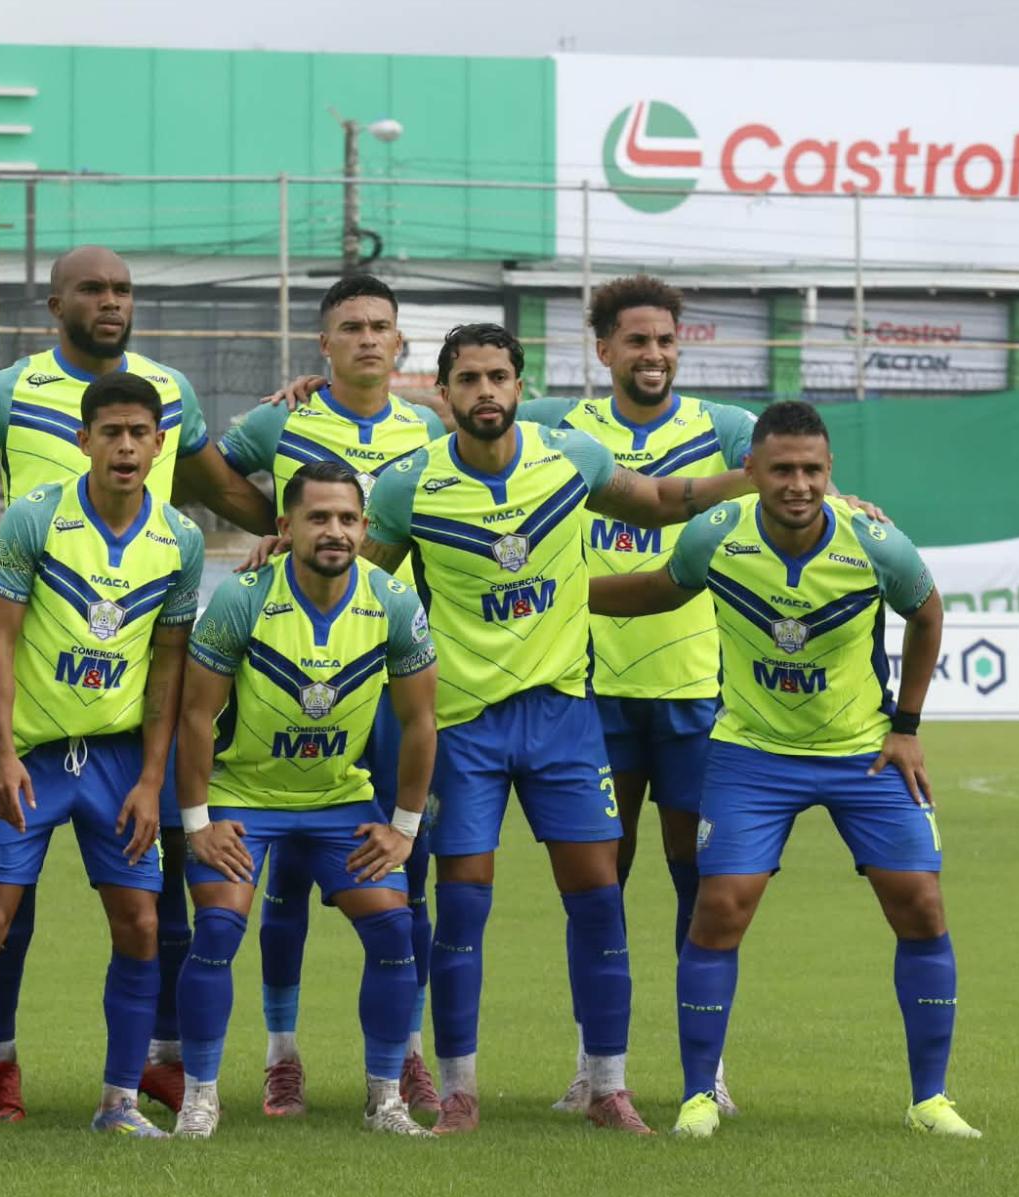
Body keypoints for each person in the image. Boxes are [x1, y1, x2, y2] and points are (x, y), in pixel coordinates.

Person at [361, 323, 756, 1136]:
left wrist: (765, 482)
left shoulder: (567, 456)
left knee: (598, 900)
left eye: (499, 376)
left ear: (518, 382)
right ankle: (462, 1091)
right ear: (443, 394)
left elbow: (655, 502)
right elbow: (362, 585)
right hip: (464, 727)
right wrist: (284, 558)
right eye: (467, 379)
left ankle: (608, 1086)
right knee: (463, 906)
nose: (485, 392)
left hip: (566, 717)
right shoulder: (411, 485)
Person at [0, 245, 268, 1122]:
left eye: (123, 290)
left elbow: (223, 485)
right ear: (56, 302)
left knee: (152, 911)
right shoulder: (10, 394)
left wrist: (305, 521)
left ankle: (146, 1074)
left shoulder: (169, 398)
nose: (111, 303)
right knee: (0, 916)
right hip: (35, 695)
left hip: (125, 713)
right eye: (93, 290)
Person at [587, 400, 979, 1141]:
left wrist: (907, 728)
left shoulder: (875, 542)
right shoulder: (716, 535)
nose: (797, 484)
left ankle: (931, 1099)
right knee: (720, 906)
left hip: (861, 752)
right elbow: (654, 591)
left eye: (811, 470)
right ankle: (701, 1094)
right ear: (752, 473)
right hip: (752, 752)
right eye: (782, 470)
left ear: (830, 474)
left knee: (921, 905)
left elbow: (927, 612)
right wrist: (560, 598)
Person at [0, 372, 205, 1143]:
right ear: (82, 440)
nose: (124, 446)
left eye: (138, 433)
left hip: (119, 762)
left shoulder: (179, 539)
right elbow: (0, 639)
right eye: (108, 432)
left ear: (158, 444)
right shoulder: (35, 520)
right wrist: (3, 751)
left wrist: (154, 780)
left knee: (142, 925)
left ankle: (117, 1101)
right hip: (33, 759)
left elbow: (168, 666)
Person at [515, 274, 754, 1114]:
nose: (652, 355)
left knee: (701, 883)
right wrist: (309, 391)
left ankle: (705, 1070)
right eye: (636, 341)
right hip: (590, 692)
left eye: (665, 340)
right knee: (597, 886)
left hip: (694, 692)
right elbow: (444, 423)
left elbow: (803, 474)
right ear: (603, 348)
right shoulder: (557, 426)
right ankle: (595, 1068)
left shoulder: (725, 431)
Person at [216, 273, 448, 1118]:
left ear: (398, 342)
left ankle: (408, 1052)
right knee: (284, 883)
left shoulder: (429, 428)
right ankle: (283, 1055)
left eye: (380, 326)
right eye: (350, 326)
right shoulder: (282, 418)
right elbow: (205, 470)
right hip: (290, 667)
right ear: (325, 344)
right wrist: (265, 530)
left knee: (401, 867)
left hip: (387, 671)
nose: (366, 339)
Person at [175, 460, 439, 1138]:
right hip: (244, 796)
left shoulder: (394, 603)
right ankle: (199, 1097)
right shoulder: (242, 598)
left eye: (347, 518)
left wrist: (404, 828)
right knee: (218, 927)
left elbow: (419, 723)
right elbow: (196, 716)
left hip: (338, 800)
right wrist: (198, 824)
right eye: (318, 517)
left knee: (394, 929)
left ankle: (385, 1099)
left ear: (365, 527)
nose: (334, 530)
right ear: (285, 526)